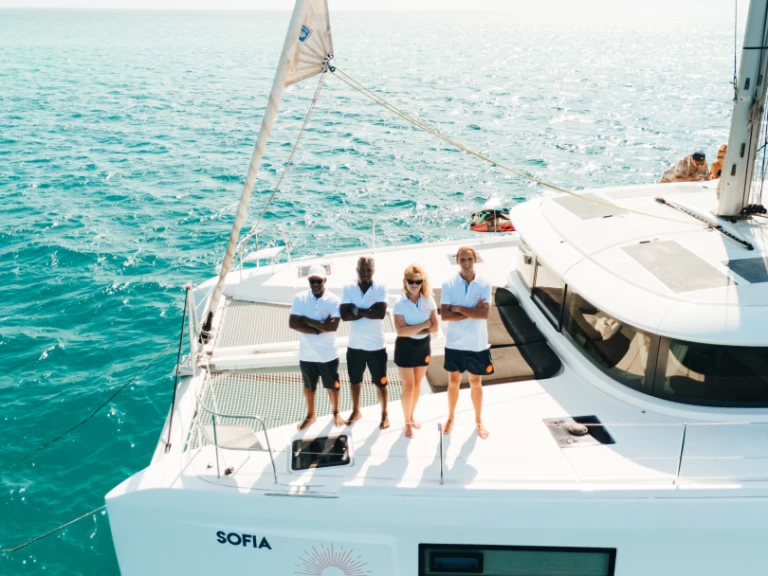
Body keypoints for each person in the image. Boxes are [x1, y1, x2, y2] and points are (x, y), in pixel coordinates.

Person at [440, 246, 493, 439]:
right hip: (455, 342)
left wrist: (458, 308)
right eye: (463, 259)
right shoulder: (448, 284)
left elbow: (484, 314)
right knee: (453, 381)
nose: (466, 263)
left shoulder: (485, 284)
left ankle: (478, 421)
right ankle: (451, 417)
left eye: (469, 259)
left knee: (475, 382)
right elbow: (445, 316)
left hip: (477, 343)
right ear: (458, 261)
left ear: (475, 260)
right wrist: (471, 311)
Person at [288, 264, 343, 430]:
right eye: (312, 281)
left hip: (328, 353)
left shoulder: (334, 300)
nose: (315, 284)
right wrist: (319, 328)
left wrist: (307, 321)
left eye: (318, 281)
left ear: (325, 280)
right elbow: (293, 323)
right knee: (308, 386)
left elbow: (332, 327)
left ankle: (335, 412)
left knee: (333, 385)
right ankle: (311, 415)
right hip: (307, 354)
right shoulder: (300, 298)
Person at [340, 256, 389, 429]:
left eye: (368, 270)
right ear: (357, 270)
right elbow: (344, 315)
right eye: (362, 269)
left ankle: (384, 414)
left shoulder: (381, 287)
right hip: (355, 345)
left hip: (376, 346)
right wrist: (368, 310)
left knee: (381, 382)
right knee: (355, 381)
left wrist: (356, 310)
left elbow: (380, 313)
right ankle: (356, 410)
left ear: (373, 271)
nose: (365, 273)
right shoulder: (348, 287)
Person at [392, 264, 438, 439]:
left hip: (423, 346)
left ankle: (411, 415)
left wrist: (414, 328)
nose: (414, 285)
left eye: (417, 281)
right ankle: (406, 422)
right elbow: (400, 331)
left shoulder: (429, 300)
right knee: (409, 386)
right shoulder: (399, 303)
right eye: (410, 281)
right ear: (406, 281)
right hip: (405, 347)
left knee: (418, 385)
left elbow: (434, 328)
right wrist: (423, 325)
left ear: (422, 282)